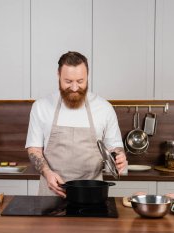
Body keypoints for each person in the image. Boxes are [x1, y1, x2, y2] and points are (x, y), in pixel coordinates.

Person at [25, 51, 128, 197]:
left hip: (92, 195)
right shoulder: (41, 106)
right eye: (68, 81)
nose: (74, 88)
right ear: (58, 75)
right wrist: (47, 173)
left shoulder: (104, 108)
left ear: (88, 76)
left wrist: (119, 157)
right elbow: (34, 149)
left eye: (80, 81)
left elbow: (115, 147)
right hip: (52, 193)